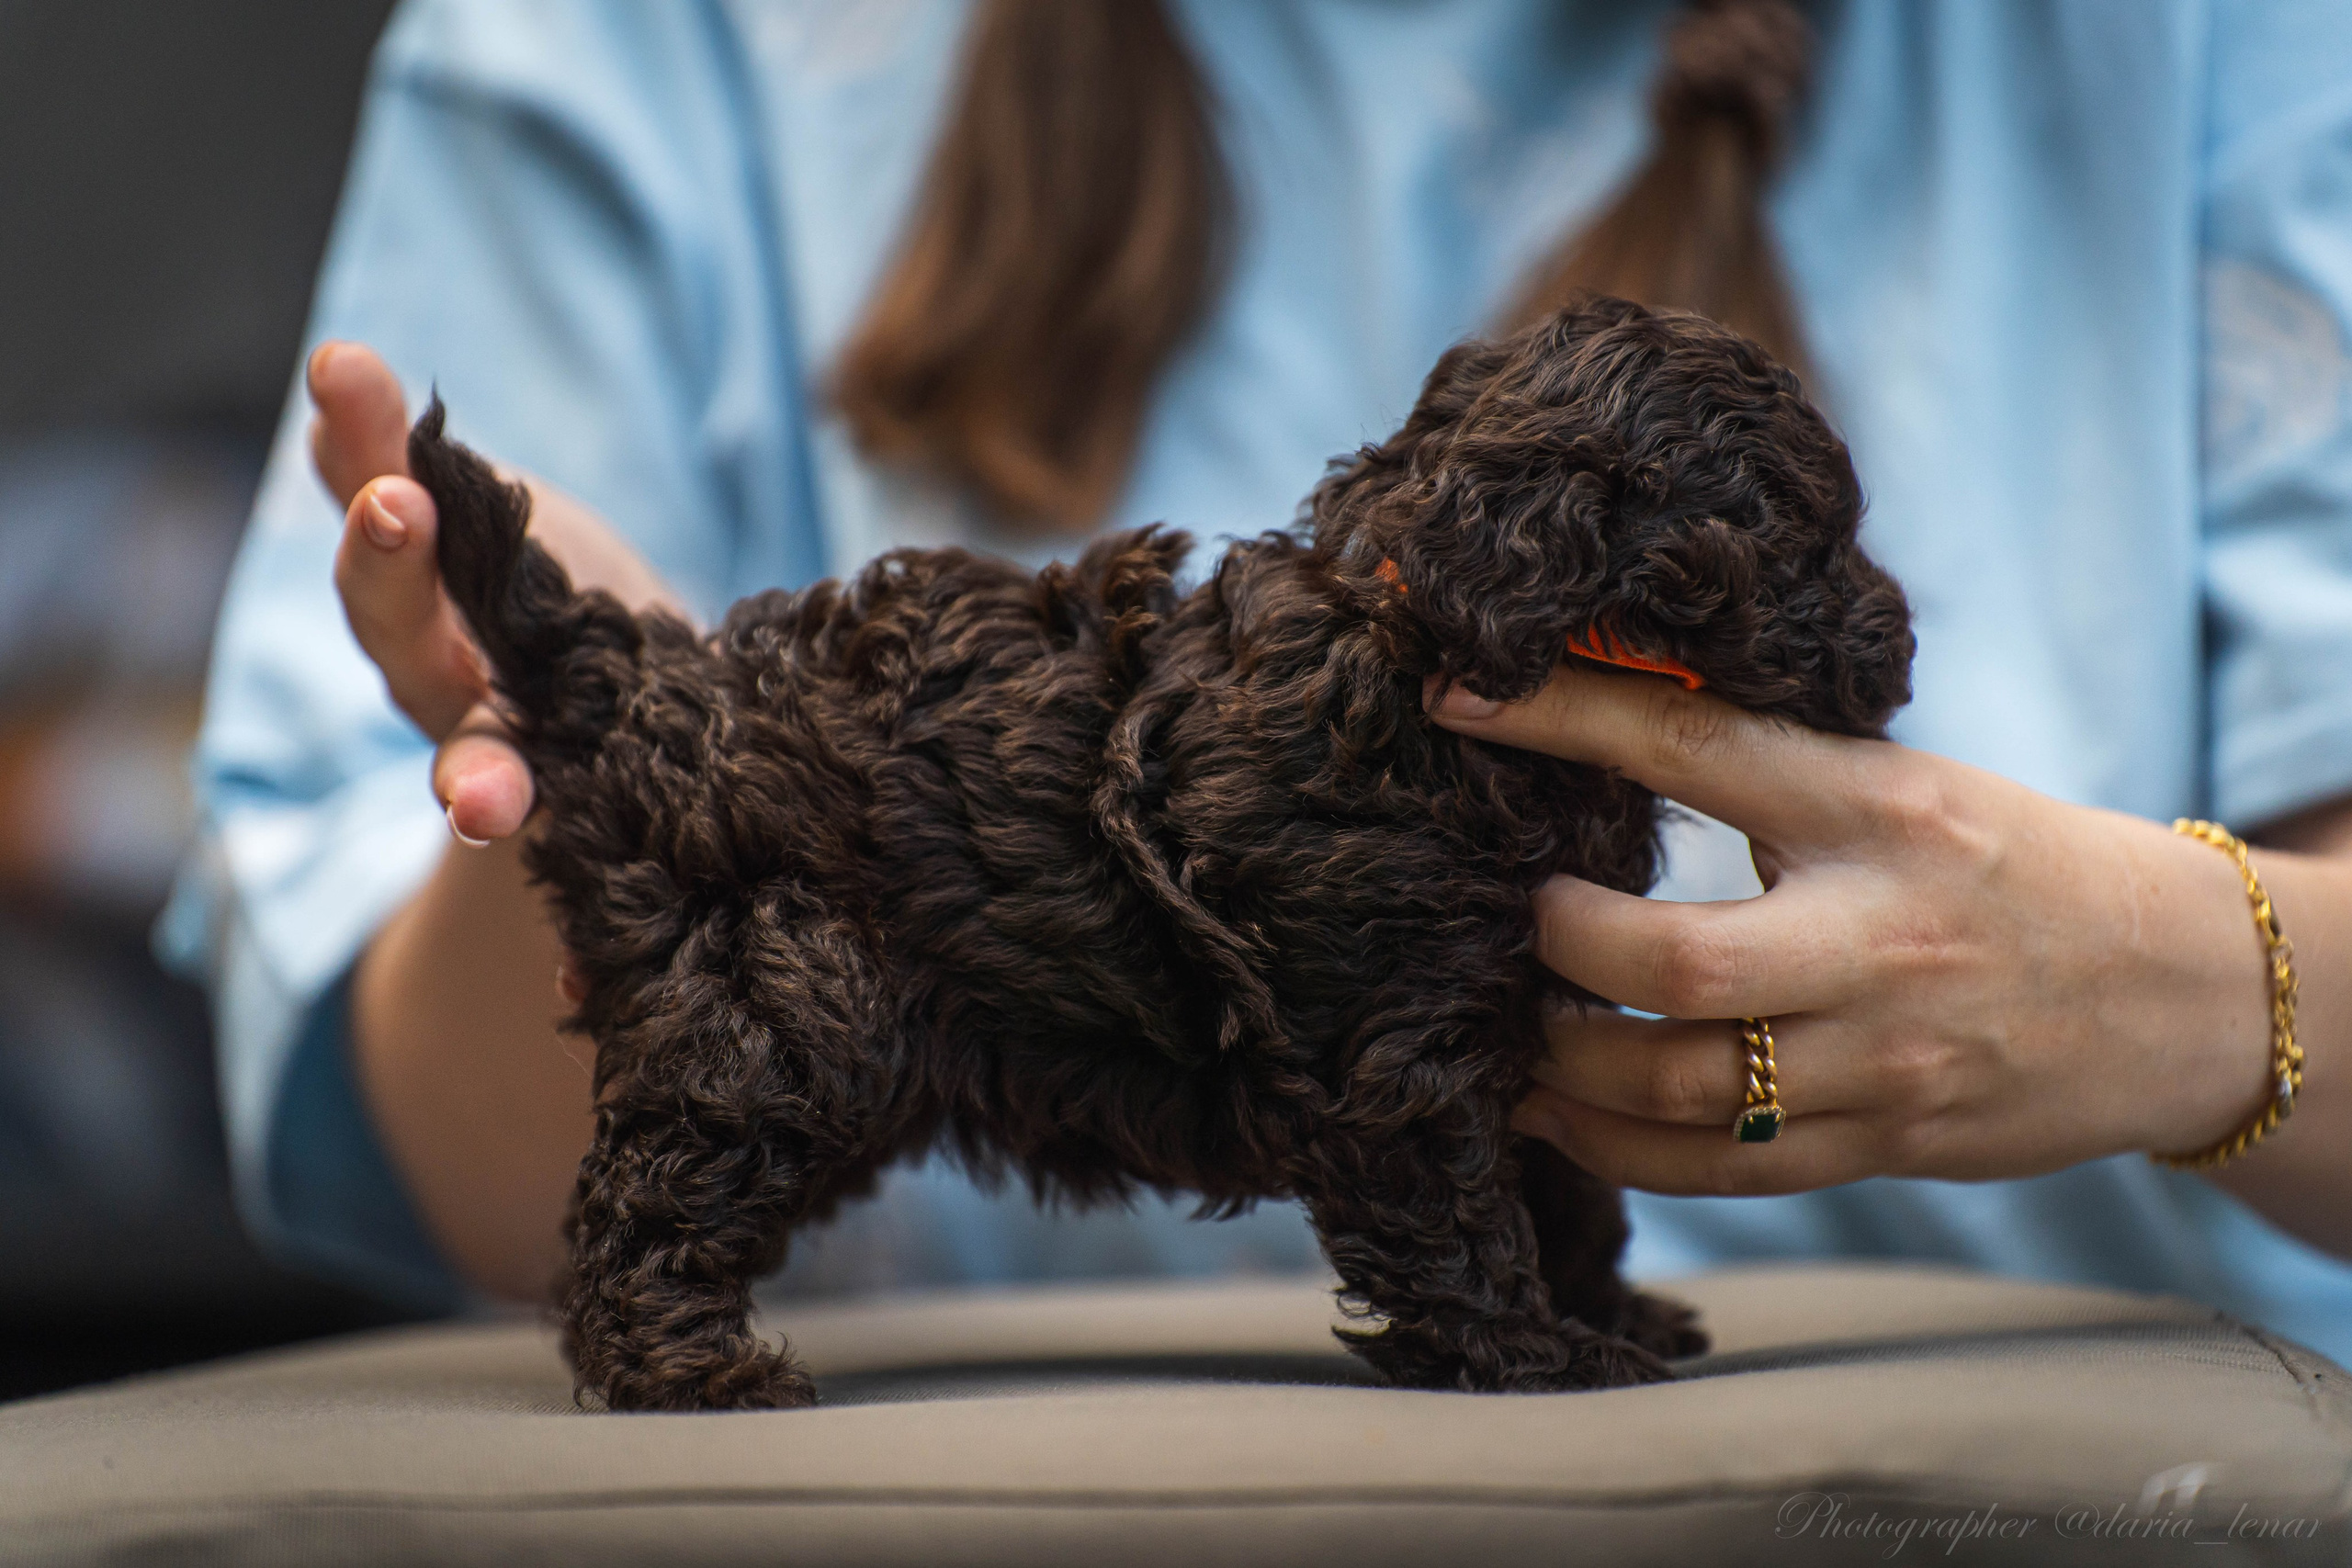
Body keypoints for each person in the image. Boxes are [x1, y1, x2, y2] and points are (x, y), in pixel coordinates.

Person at [170, 0, 2352, 1363]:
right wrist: (626, 784)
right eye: (1788, 578)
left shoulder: (2207, 38)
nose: (1855, 630)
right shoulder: (646, 43)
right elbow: (400, 1130)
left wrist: (2219, 979)